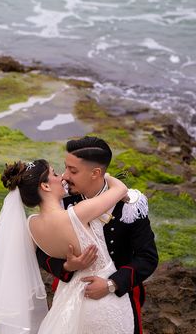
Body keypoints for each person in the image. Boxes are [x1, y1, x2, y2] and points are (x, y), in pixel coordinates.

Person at [0, 158, 134, 333]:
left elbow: (24, 263)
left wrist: (67, 266)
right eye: (55, 174)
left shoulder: (31, 225)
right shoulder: (78, 213)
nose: (62, 177)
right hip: (102, 302)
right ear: (45, 186)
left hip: (66, 300)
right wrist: (104, 176)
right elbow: (121, 189)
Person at [36, 136, 158, 334]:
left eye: (73, 170)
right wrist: (67, 266)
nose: (65, 176)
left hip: (119, 297)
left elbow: (147, 258)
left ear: (96, 173)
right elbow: (41, 251)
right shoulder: (62, 201)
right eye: (65, 167)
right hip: (71, 295)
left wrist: (112, 284)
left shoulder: (130, 205)